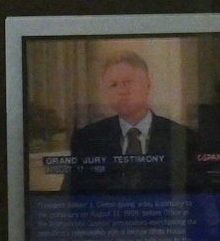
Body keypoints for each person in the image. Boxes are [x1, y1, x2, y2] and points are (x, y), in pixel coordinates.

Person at [63, 46, 193, 191]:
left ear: (147, 85)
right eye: (113, 85)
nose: (121, 91)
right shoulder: (86, 139)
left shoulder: (184, 138)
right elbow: (70, 201)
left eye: (128, 82)